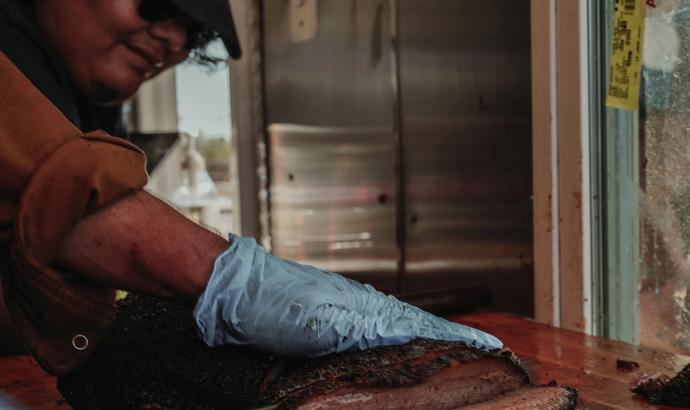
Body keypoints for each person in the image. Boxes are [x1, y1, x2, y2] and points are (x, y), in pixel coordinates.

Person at [0, 0, 501, 379]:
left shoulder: (91, 98)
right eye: (158, 1)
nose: (173, 39)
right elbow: (62, 200)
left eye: (192, 31)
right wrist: (232, 279)